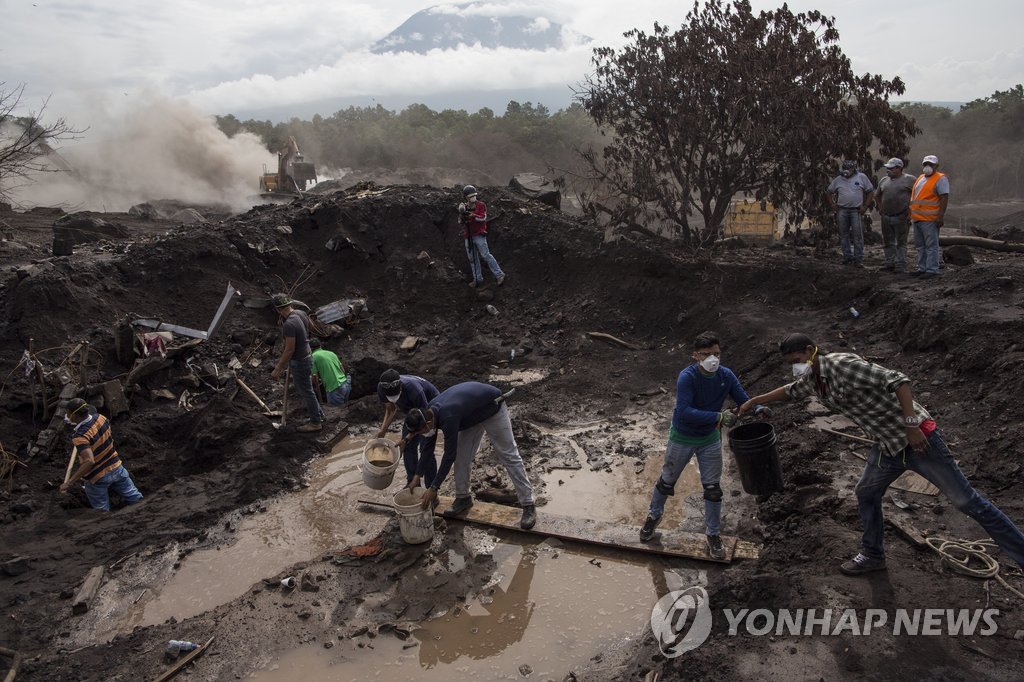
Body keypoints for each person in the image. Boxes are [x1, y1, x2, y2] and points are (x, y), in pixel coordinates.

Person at [739, 333, 1024, 575]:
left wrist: (912, 426)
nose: (795, 367)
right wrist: (755, 400)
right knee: (866, 492)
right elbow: (791, 391)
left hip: (918, 442)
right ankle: (873, 555)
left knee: (967, 502)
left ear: (810, 351)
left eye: (797, 361)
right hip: (887, 446)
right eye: (791, 364)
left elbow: (899, 380)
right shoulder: (816, 379)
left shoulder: (842, 365)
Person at [639, 331, 764, 559]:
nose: (713, 359)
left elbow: (741, 397)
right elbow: (685, 412)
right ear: (695, 355)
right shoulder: (687, 377)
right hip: (683, 437)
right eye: (707, 355)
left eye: (716, 354)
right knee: (666, 482)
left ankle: (713, 535)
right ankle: (652, 519)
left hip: (709, 439)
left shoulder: (725, 375)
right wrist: (718, 417)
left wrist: (757, 408)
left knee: (713, 490)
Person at [403, 381, 535, 529]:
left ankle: (528, 504)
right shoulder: (429, 413)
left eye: (420, 431)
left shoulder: (448, 416)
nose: (422, 434)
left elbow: (448, 455)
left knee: (508, 454)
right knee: (461, 456)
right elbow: (427, 448)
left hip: (491, 407)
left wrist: (434, 487)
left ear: (428, 423)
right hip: (470, 415)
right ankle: (463, 498)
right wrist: (417, 476)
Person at [59, 398, 143, 511]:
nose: (66, 414)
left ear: (74, 415)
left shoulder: (80, 436)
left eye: (68, 412)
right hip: (116, 467)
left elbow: (89, 461)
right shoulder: (101, 418)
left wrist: (69, 483)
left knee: (101, 510)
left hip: (97, 477)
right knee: (135, 497)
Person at [376, 369, 441, 487]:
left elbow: (424, 419)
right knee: (406, 446)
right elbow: (391, 408)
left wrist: (410, 435)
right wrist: (382, 430)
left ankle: (431, 488)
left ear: (401, 387)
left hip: (428, 408)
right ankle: (412, 483)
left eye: (396, 396)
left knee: (426, 449)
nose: (393, 398)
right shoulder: (382, 387)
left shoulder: (414, 390)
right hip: (411, 411)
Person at [271, 293, 324, 432]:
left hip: (300, 361)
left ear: (278, 310)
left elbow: (289, 349)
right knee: (309, 390)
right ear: (290, 304)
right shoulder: (301, 313)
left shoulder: (289, 324)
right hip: (308, 354)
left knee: (307, 392)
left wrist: (278, 368)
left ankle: (315, 423)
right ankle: (319, 415)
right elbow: (312, 326)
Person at [826, 160, 874, 267]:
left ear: (853, 169)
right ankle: (847, 257)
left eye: (849, 169)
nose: (846, 171)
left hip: (856, 210)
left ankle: (858, 259)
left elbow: (870, 191)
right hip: (842, 210)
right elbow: (829, 191)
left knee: (857, 235)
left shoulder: (861, 177)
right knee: (843, 235)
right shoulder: (838, 179)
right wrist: (832, 204)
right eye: (844, 169)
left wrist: (865, 206)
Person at [909, 154, 950, 279]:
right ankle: (922, 268)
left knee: (931, 246)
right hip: (917, 218)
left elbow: (944, 198)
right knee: (920, 246)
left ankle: (932, 270)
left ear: (936, 166)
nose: (927, 166)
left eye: (930, 164)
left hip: (930, 219)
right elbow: (915, 198)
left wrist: (940, 216)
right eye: (925, 164)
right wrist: (910, 214)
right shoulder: (920, 178)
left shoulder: (940, 178)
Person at [459, 185, 505, 288]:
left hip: (479, 234)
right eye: (471, 196)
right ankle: (477, 279)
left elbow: (483, 218)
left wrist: (473, 216)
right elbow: (460, 221)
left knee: (485, 255)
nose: (473, 198)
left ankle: (499, 275)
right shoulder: (464, 207)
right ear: (466, 197)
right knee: (472, 259)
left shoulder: (481, 205)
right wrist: (463, 217)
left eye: (474, 195)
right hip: (468, 236)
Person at [875, 157, 916, 273]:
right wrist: (880, 207)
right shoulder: (884, 180)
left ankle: (901, 264)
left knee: (901, 242)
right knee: (888, 242)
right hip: (886, 216)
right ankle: (890, 263)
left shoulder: (910, 179)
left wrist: (911, 212)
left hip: (902, 216)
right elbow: (877, 195)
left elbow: (917, 196)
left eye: (891, 168)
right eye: (887, 168)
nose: (888, 170)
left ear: (899, 168)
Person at [310, 338, 351, 406]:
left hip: (334, 388)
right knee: (345, 410)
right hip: (345, 384)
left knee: (336, 412)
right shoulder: (331, 353)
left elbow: (315, 378)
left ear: (310, 349)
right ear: (320, 346)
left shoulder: (313, 357)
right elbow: (342, 370)